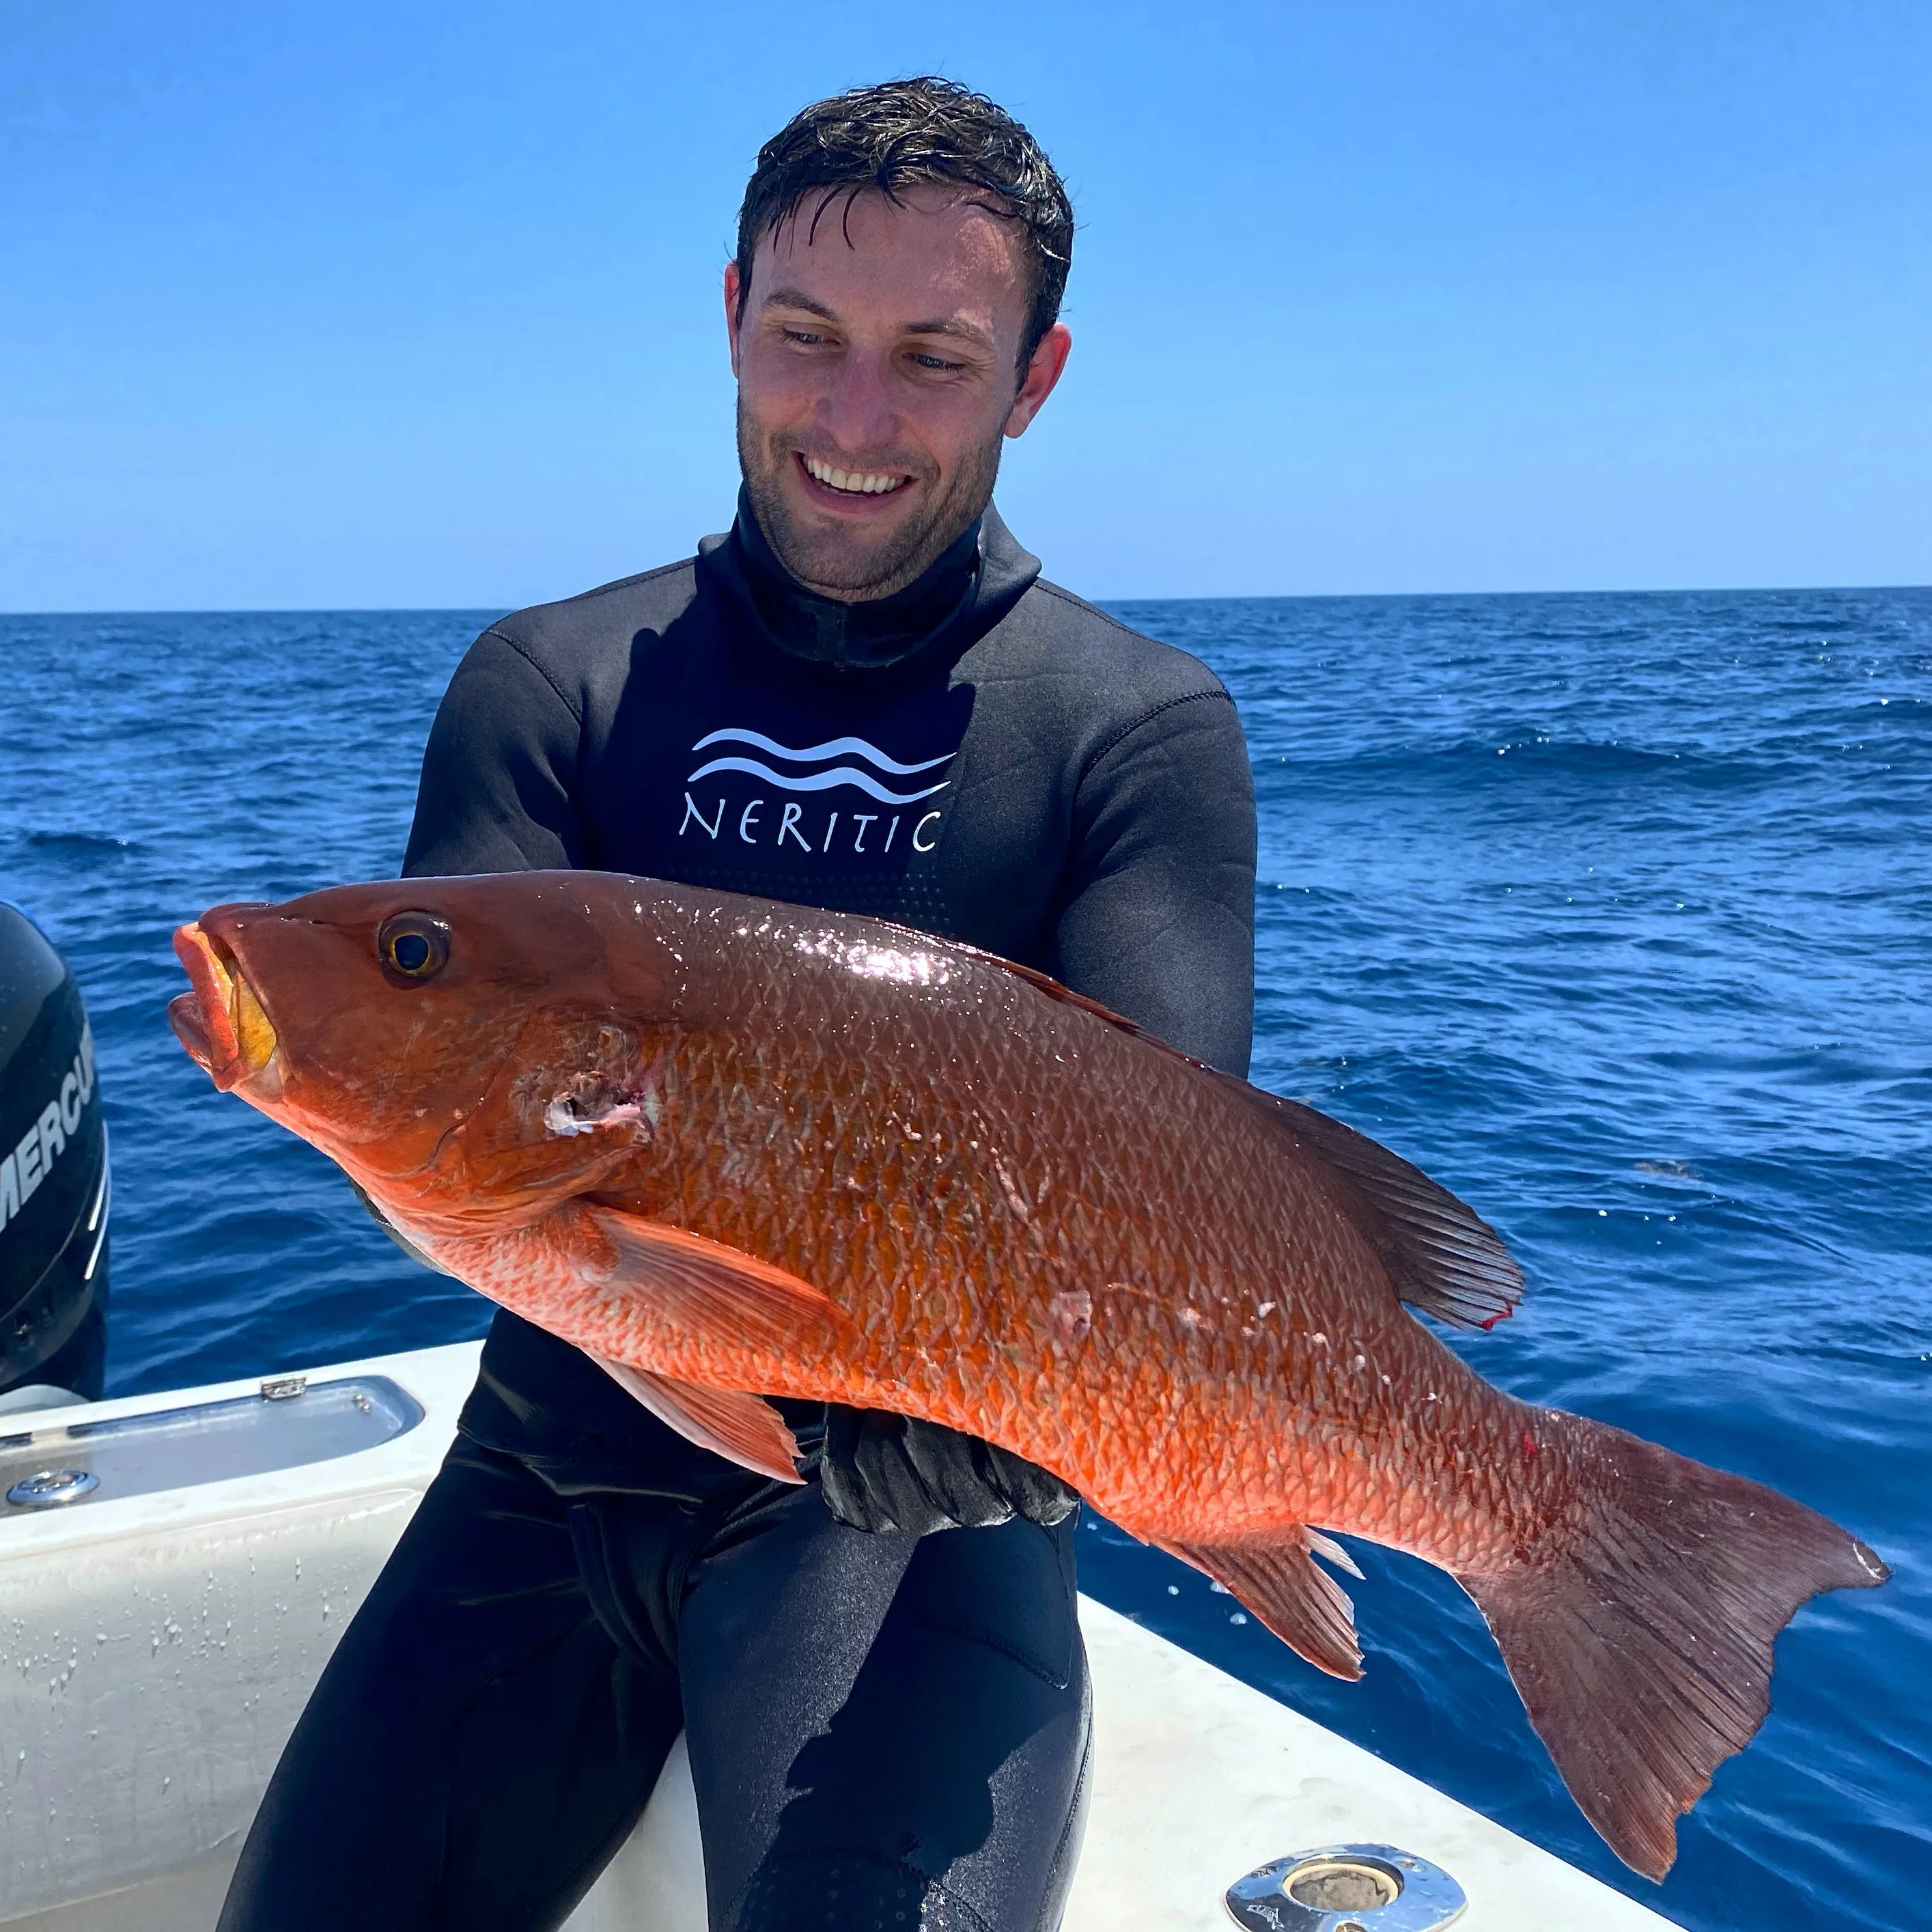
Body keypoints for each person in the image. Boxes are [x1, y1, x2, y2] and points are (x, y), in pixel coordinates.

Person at [219, 78, 1257, 1932]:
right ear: (727, 318)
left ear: (1035, 375)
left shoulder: (1131, 731)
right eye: (805, 339)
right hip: (540, 1481)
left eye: (934, 357)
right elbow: (439, 1084)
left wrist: (1003, 1414)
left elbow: (1174, 1181)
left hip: (924, 1524)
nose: (855, 420)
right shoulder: (549, 681)